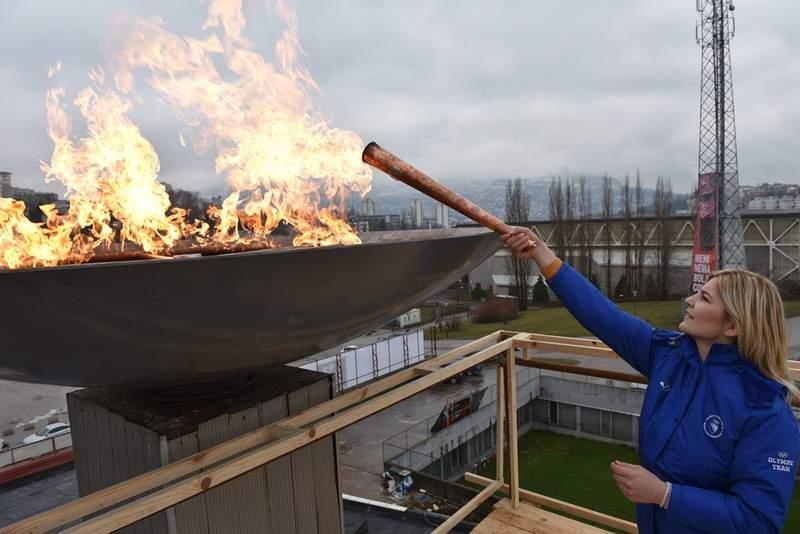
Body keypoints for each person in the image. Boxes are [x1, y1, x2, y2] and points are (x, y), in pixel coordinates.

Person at [502, 226, 800, 533]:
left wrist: (665, 495)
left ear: (733, 326)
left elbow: (758, 522)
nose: (689, 299)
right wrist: (540, 253)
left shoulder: (767, 413)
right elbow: (603, 316)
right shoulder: (671, 356)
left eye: (704, 298)